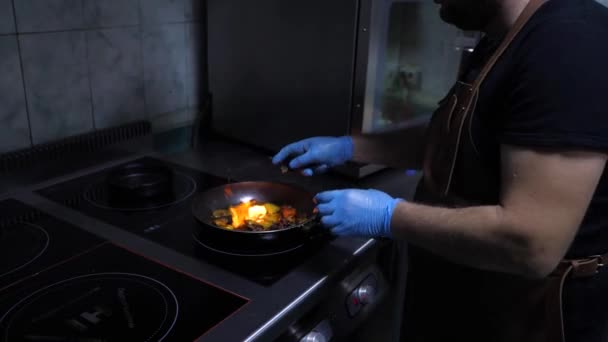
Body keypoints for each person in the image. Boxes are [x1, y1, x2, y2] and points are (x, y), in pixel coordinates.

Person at [272, 0, 608, 341]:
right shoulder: (502, 37)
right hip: (466, 299)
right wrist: (351, 147)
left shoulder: (569, 41)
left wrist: (389, 216)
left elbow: (531, 245)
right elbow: (457, 138)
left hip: (526, 320)